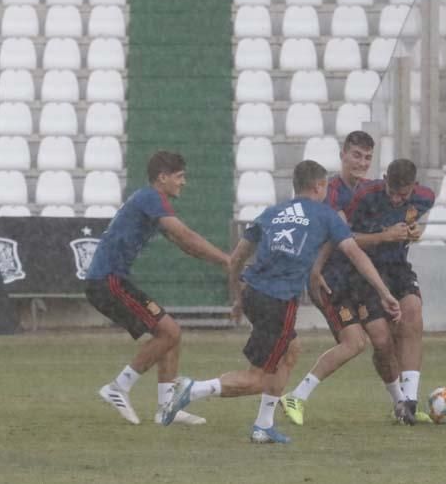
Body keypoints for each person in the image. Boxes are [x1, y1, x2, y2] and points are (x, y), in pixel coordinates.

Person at [161, 160, 400, 444]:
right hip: (278, 301)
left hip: (253, 293)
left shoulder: (272, 213)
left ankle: (263, 425)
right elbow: (356, 254)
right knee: (259, 377)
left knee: (291, 349)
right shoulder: (327, 216)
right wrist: (384, 292)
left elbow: (236, 258)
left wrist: (238, 298)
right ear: (320, 186)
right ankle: (192, 389)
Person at [84, 151, 230, 426]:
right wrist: (226, 260)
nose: (183, 183)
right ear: (162, 178)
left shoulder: (148, 201)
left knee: (171, 333)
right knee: (169, 332)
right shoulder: (151, 198)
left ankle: (167, 408)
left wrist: (220, 262)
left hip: (107, 280)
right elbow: (185, 235)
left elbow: (185, 244)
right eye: (179, 177)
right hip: (108, 280)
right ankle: (118, 387)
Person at [278, 131, 382, 426]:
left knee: (379, 338)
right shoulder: (331, 191)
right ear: (343, 155)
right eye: (356, 155)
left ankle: (404, 401)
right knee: (354, 343)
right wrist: (315, 270)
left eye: (367, 157)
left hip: (352, 280)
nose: (362, 162)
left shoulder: (366, 191)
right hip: (331, 281)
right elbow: (336, 238)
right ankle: (295, 396)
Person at [343, 159, 435, 424]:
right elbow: (343, 237)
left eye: (402, 194)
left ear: (413, 187)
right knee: (382, 341)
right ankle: (398, 400)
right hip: (365, 271)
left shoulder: (425, 197)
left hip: (397, 267)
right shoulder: (364, 196)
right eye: (391, 191)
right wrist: (384, 236)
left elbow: (411, 223)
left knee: (413, 312)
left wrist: (414, 231)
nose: (396, 199)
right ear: (384, 179)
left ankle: (411, 401)